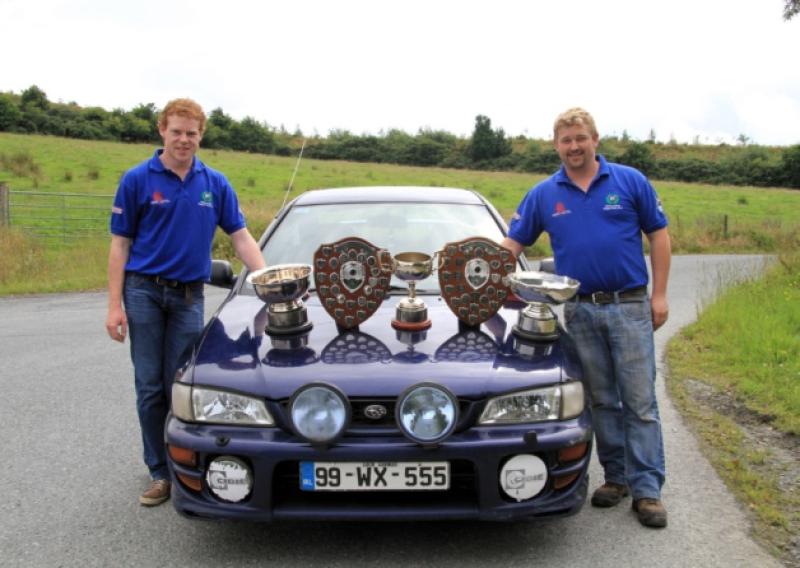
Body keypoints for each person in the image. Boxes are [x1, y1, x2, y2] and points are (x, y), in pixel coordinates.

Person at [501, 108, 672, 528]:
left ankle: (647, 489)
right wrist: (468, 265)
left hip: (629, 306)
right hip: (579, 310)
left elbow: (659, 236)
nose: (574, 146)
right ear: (556, 145)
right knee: (600, 402)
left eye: (580, 138)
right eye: (566, 140)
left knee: (639, 402)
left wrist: (660, 295)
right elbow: (509, 245)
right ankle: (616, 479)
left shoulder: (630, 181)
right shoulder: (544, 194)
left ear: (595, 139)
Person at [105, 98, 266, 506]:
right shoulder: (138, 179)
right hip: (142, 291)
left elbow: (241, 237)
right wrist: (113, 305)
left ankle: (185, 468)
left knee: (183, 386)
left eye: (191, 133)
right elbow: (120, 245)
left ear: (201, 135)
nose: (183, 139)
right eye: (176, 131)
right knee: (149, 388)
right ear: (162, 129)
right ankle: (159, 472)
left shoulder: (215, 184)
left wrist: (268, 280)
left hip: (189, 296)